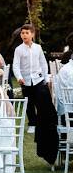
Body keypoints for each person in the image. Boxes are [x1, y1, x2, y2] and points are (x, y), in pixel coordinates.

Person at [12, 24, 59, 164]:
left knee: (42, 101)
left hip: (38, 79)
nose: (24, 35)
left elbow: (43, 64)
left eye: (27, 33)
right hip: (25, 81)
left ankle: (40, 122)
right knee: (28, 102)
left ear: (32, 34)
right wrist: (19, 76)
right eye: (22, 33)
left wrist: (45, 79)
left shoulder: (38, 48)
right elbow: (15, 65)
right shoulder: (18, 50)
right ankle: (32, 122)